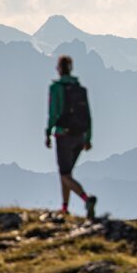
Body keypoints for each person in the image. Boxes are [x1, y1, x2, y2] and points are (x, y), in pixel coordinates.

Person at [45, 55, 97, 219]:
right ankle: (65, 208)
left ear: (59, 69)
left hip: (63, 135)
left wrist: (48, 132)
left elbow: (53, 113)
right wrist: (88, 138)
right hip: (80, 136)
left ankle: (86, 199)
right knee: (66, 173)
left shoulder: (56, 88)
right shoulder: (80, 89)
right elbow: (88, 115)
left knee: (64, 174)